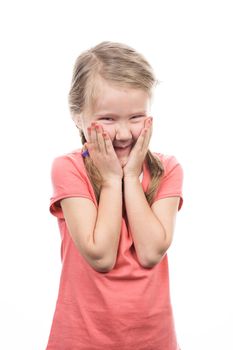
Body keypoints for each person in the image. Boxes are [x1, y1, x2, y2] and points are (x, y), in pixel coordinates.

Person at [46, 41, 184, 350]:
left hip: (153, 340)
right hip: (82, 339)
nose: (123, 134)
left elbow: (151, 252)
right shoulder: (69, 169)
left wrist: (131, 180)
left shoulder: (167, 169)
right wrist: (111, 180)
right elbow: (101, 256)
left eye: (136, 117)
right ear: (78, 117)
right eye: (108, 119)